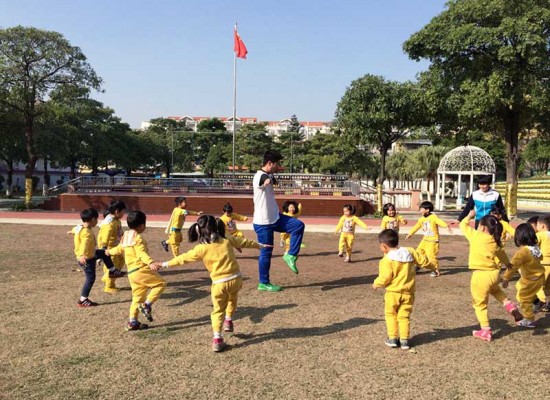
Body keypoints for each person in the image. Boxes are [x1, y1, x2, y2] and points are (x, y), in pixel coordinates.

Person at [152, 215, 271, 352]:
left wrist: (164, 264)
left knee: (217, 310)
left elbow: (182, 259)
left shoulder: (201, 249)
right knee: (232, 300)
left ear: (198, 231)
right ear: (217, 227)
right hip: (236, 279)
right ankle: (228, 320)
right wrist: (260, 246)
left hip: (219, 283)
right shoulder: (226, 240)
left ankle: (217, 339)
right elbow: (243, 242)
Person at [459, 210, 522, 342]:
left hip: (480, 276)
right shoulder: (495, 241)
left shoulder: (476, 236)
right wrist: (508, 264)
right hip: (494, 275)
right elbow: (502, 255)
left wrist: (469, 216)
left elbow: (462, 226)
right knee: (495, 291)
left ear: (482, 227)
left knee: (479, 304)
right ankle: (510, 306)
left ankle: (485, 330)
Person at [252, 150, 305, 292]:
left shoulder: (268, 174)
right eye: (277, 164)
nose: (278, 167)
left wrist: (272, 179)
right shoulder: (259, 176)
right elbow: (263, 180)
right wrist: (268, 181)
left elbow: (271, 178)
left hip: (275, 218)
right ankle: (264, 283)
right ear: (270, 163)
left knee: (298, 225)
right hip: (263, 223)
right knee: (266, 253)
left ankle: (290, 255)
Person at [372, 229, 434, 349]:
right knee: (404, 316)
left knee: (391, 314)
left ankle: (393, 338)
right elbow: (423, 261)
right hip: (408, 293)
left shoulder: (386, 260)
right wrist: (433, 267)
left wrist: (376, 284)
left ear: (383, 246)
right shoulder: (409, 251)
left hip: (393, 293)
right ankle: (404, 340)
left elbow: (385, 277)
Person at [108, 211, 166, 331]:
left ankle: (132, 322)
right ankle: (147, 305)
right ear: (141, 225)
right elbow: (141, 253)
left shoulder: (126, 236)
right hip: (141, 269)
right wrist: (150, 262)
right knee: (161, 284)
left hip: (132, 273)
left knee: (137, 298)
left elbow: (119, 249)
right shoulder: (138, 238)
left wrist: (109, 251)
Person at [71, 208, 123, 308]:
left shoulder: (79, 227)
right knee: (90, 279)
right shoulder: (87, 232)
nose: (97, 222)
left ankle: (112, 270)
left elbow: (74, 230)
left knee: (104, 253)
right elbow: (84, 244)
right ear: (93, 219)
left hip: (92, 254)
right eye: (96, 219)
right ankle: (83, 300)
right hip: (87, 259)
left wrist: (71, 231)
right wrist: (82, 255)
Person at [501, 223, 544, 328]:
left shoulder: (523, 251)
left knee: (523, 298)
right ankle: (537, 301)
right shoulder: (535, 248)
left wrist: (506, 278)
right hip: (539, 277)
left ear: (519, 238)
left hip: (531, 279)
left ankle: (529, 319)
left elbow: (513, 265)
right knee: (519, 286)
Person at [405, 201, 452, 277]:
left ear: (427, 210)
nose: (420, 210)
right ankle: (418, 266)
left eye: (421, 208)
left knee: (431, 256)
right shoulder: (421, 219)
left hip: (433, 241)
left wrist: (446, 226)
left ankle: (435, 270)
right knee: (418, 253)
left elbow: (440, 221)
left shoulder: (433, 217)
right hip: (425, 239)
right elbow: (416, 226)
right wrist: (410, 234)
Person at [98, 200, 127, 293]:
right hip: (110, 249)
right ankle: (109, 286)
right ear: (117, 211)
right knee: (114, 267)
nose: (124, 214)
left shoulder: (116, 221)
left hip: (117, 247)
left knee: (121, 262)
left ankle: (106, 277)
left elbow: (120, 232)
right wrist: (104, 250)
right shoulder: (109, 224)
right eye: (123, 211)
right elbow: (105, 238)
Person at [534, 216, 550, 312]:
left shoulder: (540, 235)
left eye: (537, 225)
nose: (536, 228)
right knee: (548, 286)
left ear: (543, 226)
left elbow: (534, 247)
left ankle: (542, 301)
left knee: (538, 285)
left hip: (543, 264)